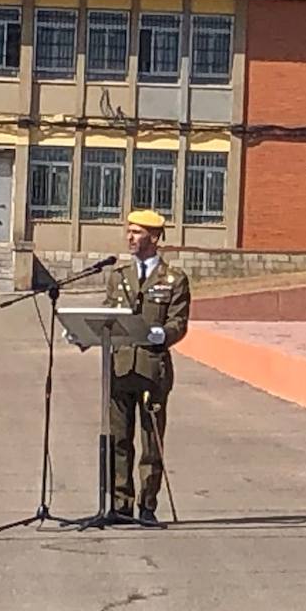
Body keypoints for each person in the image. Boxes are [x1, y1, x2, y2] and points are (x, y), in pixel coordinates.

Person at [107, 209, 191, 526]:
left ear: (154, 238)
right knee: (118, 439)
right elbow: (108, 315)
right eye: (128, 231)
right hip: (120, 368)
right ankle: (120, 504)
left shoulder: (173, 279)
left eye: (137, 232)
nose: (130, 237)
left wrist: (162, 334)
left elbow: (179, 322)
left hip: (152, 369)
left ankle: (147, 505)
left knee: (150, 441)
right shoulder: (118, 277)